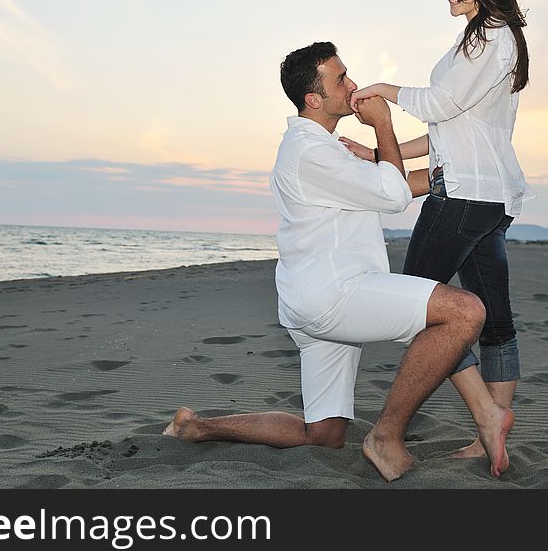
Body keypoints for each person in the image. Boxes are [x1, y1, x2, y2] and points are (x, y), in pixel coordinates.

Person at [165, 41, 513, 482]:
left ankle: (195, 427)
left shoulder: (321, 149)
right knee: (465, 312)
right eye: (341, 79)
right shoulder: (311, 151)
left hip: (310, 301)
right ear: (314, 99)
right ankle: (386, 436)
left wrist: (469, 177)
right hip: (335, 295)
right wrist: (383, 125)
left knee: (323, 433)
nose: (352, 85)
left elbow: (395, 184)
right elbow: (390, 194)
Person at [343, 0, 533, 463]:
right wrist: (381, 152)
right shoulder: (481, 38)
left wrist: (385, 91)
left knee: (416, 307)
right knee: (494, 320)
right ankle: (488, 432)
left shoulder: (493, 36)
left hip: (467, 199)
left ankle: (488, 416)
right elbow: (450, 134)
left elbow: (442, 104)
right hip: (482, 196)